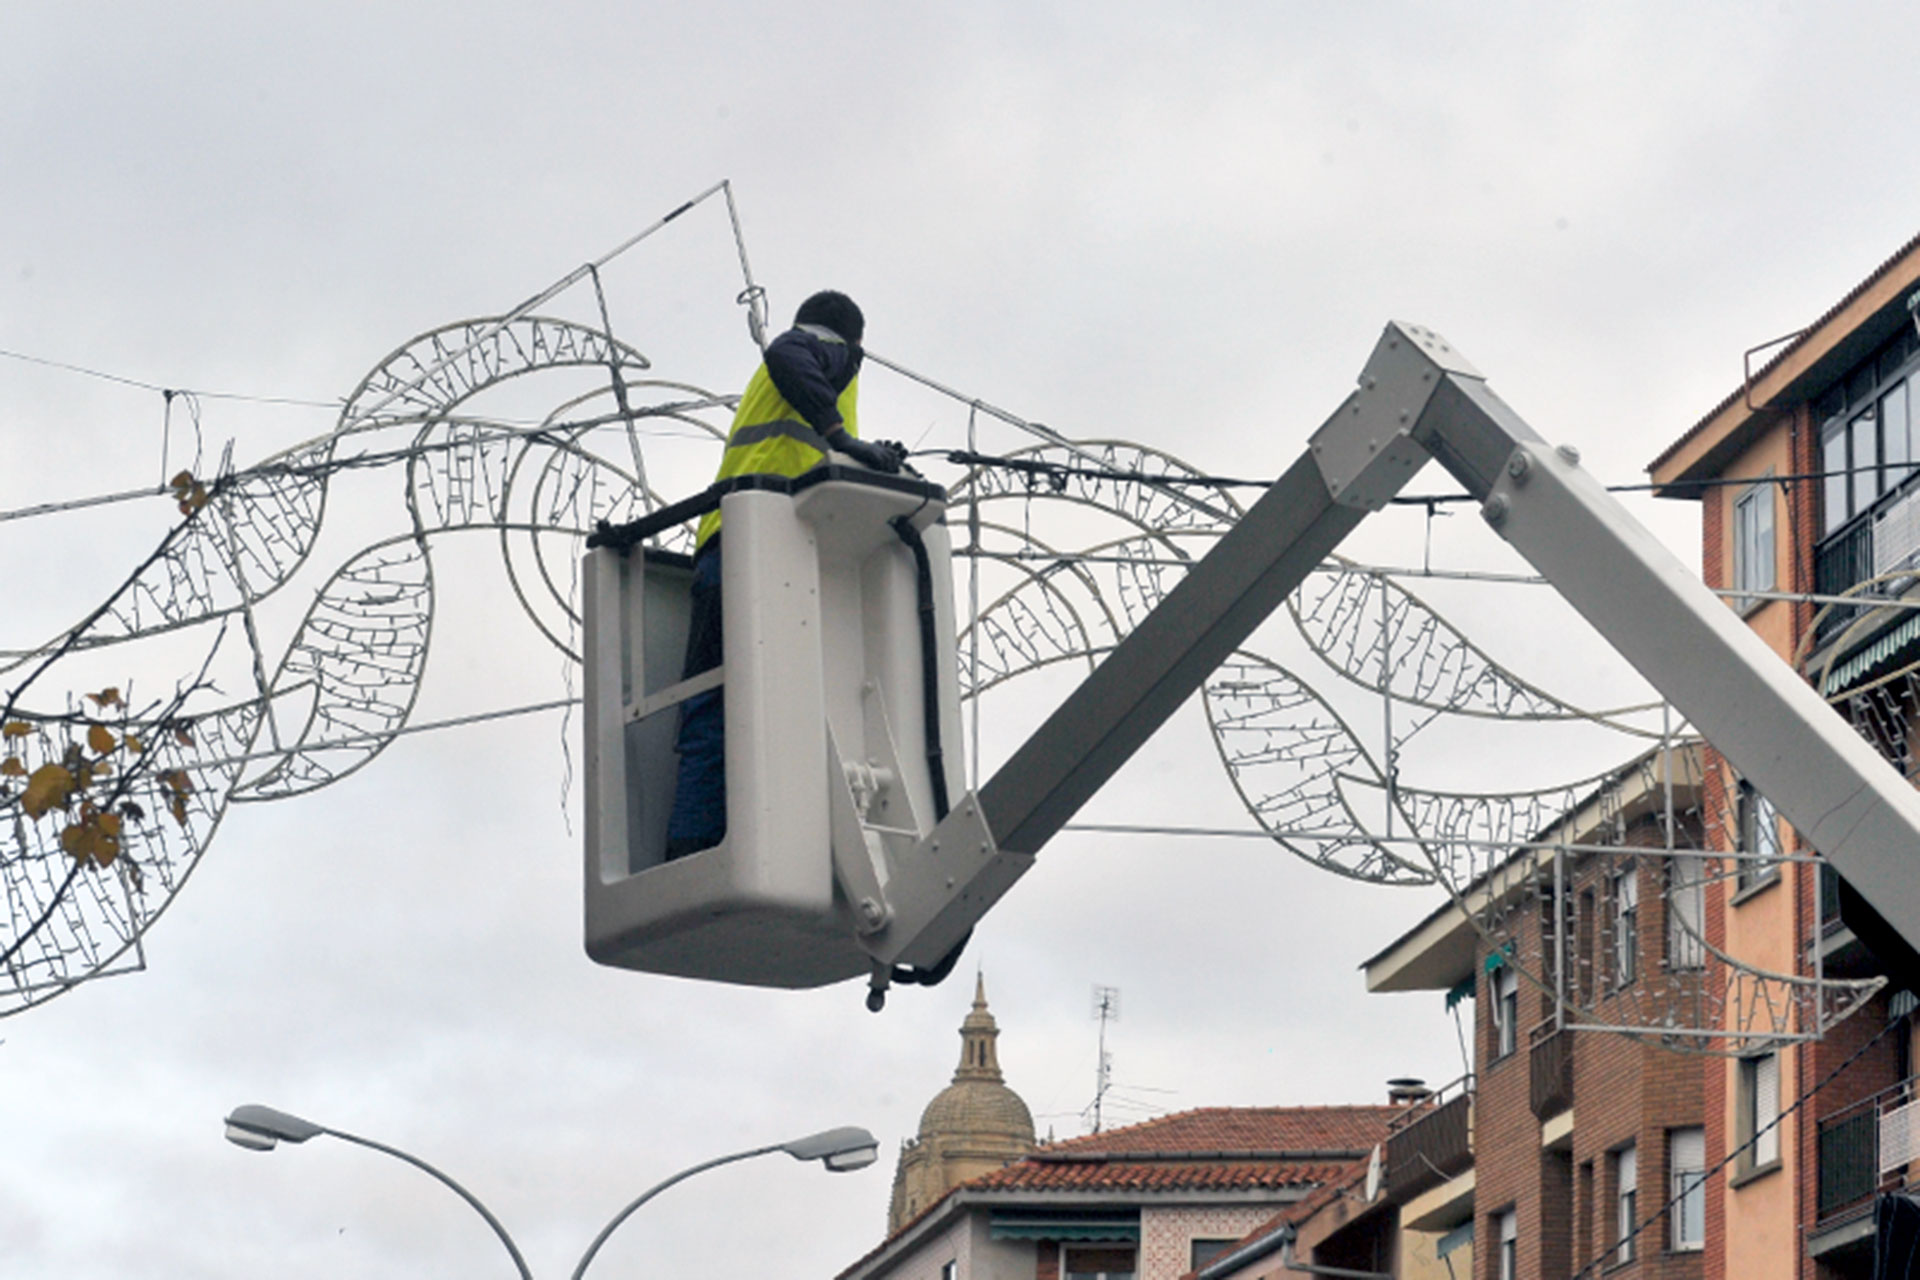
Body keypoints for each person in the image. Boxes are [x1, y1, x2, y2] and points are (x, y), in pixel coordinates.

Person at [664, 291, 906, 859]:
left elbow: (810, 461)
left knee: (727, 703)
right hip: (759, 548)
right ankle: (717, 848)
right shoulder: (820, 352)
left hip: (734, 546)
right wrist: (842, 435)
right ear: (852, 343)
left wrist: (862, 455)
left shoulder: (788, 393)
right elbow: (791, 353)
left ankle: (698, 848)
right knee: (757, 704)